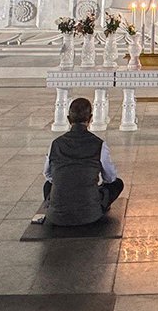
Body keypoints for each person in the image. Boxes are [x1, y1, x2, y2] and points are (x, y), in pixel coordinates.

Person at [39, 97, 125, 226]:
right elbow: (110, 178)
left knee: (48, 185)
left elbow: (48, 175)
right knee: (117, 184)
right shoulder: (99, 144)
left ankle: (56, 206)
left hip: (57, 217)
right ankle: (97, 204)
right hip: (90, 215)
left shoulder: (55, 144)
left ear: (68, 119)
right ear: (90, 119)